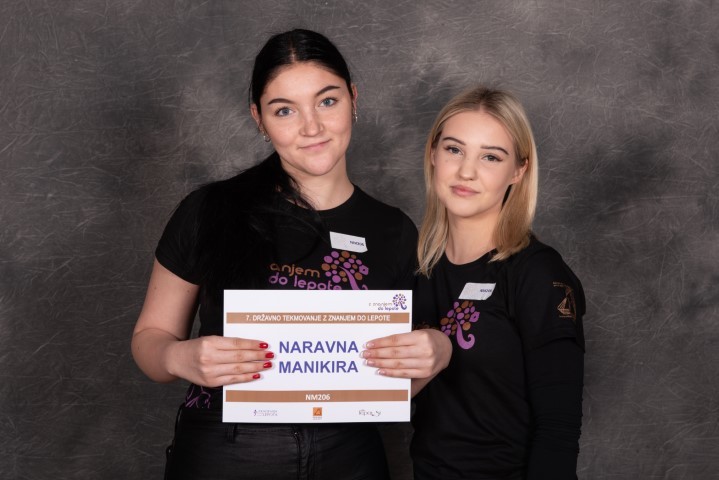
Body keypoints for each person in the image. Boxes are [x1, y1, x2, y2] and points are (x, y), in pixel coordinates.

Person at [131, 29, 447, 480]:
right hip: (225, 453)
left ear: (354, 99)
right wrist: (177, 358)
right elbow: (151, 336)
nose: (311, 127)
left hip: (349, 456)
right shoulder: (210, 210)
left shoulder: (394, 230)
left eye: (327, 101)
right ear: (258, 118)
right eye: (285, 110)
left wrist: (437, 352)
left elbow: (390, 381)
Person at [364, 87, 585, 479]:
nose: (466, 172)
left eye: (490, 157)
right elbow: (369, 391)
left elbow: (558, 432)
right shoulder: (414, 270)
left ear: (518, 171)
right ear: (433, 154)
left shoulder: (537, 274)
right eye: (454, 149)